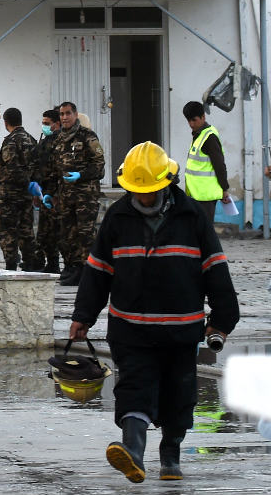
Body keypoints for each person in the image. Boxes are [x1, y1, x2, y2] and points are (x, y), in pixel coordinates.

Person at [70, 141, 239, 483]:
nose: (144, 198)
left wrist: (221, 319)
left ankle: (170, 454)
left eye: (150, 191)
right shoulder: (117, 217)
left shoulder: (192, 217)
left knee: (179, 394)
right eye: (138, 192)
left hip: (181, 329)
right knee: (134, 387)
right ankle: (132, 451)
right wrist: (83, 316)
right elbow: (98, 270)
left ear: (166, 183)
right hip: (130, 328)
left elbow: (216, 270)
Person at [51, 101, 105, 286]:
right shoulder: (58, 139)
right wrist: (51, 193)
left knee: (85, 234)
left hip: (85, 196)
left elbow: (99, 167)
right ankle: (73, 268)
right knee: (67, 233)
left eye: (68, 113)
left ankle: (89, 270)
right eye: (61, 114)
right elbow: (54, 168)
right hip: (66, 195)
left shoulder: (87, 136)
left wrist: (81, 175)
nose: (64, 117)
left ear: (75, 115)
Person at [0, 107, 39, 271]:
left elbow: (11, 168)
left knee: (8, 230)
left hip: (10, 195)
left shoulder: (11, 141)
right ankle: (30, 262)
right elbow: (37, 167)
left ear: (6, 122)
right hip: (27, 194)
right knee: (26, 229)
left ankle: (11, 262)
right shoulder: (31, 139)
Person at [182, 101, 232, 224]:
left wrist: (224, 189)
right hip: (196, 194)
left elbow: (219, 165)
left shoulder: (209, 138)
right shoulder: (199, 135)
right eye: (188, 120)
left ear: (203, 117)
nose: (191, 124)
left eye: (194, 120)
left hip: (206, 197)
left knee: (205, 233)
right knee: (198, 232)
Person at [33, 109, 62, 274]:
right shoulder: (45, 141)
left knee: (56, 231)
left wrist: (55, 193)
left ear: (56, 124)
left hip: (55, 193)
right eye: (43, 123)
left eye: (47, 123)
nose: (43, 126)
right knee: (45, 231)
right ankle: (51, 263)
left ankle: (62, 264)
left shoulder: (61, 142)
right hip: (43, 192)